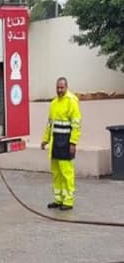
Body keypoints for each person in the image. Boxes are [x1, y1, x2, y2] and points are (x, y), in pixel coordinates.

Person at [40, 77, 82, 210]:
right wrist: (45, 139)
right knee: (56, 173)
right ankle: (58, 199)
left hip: (65, 143)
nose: (59, 90)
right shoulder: (53, 103)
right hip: (54, 143)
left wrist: (73, 143)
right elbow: (50, 124)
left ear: (66, 87)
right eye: (57, 87)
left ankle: (68, 201)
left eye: (62, 87)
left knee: (66, 173)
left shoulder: (72, 101)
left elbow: (76, 124)